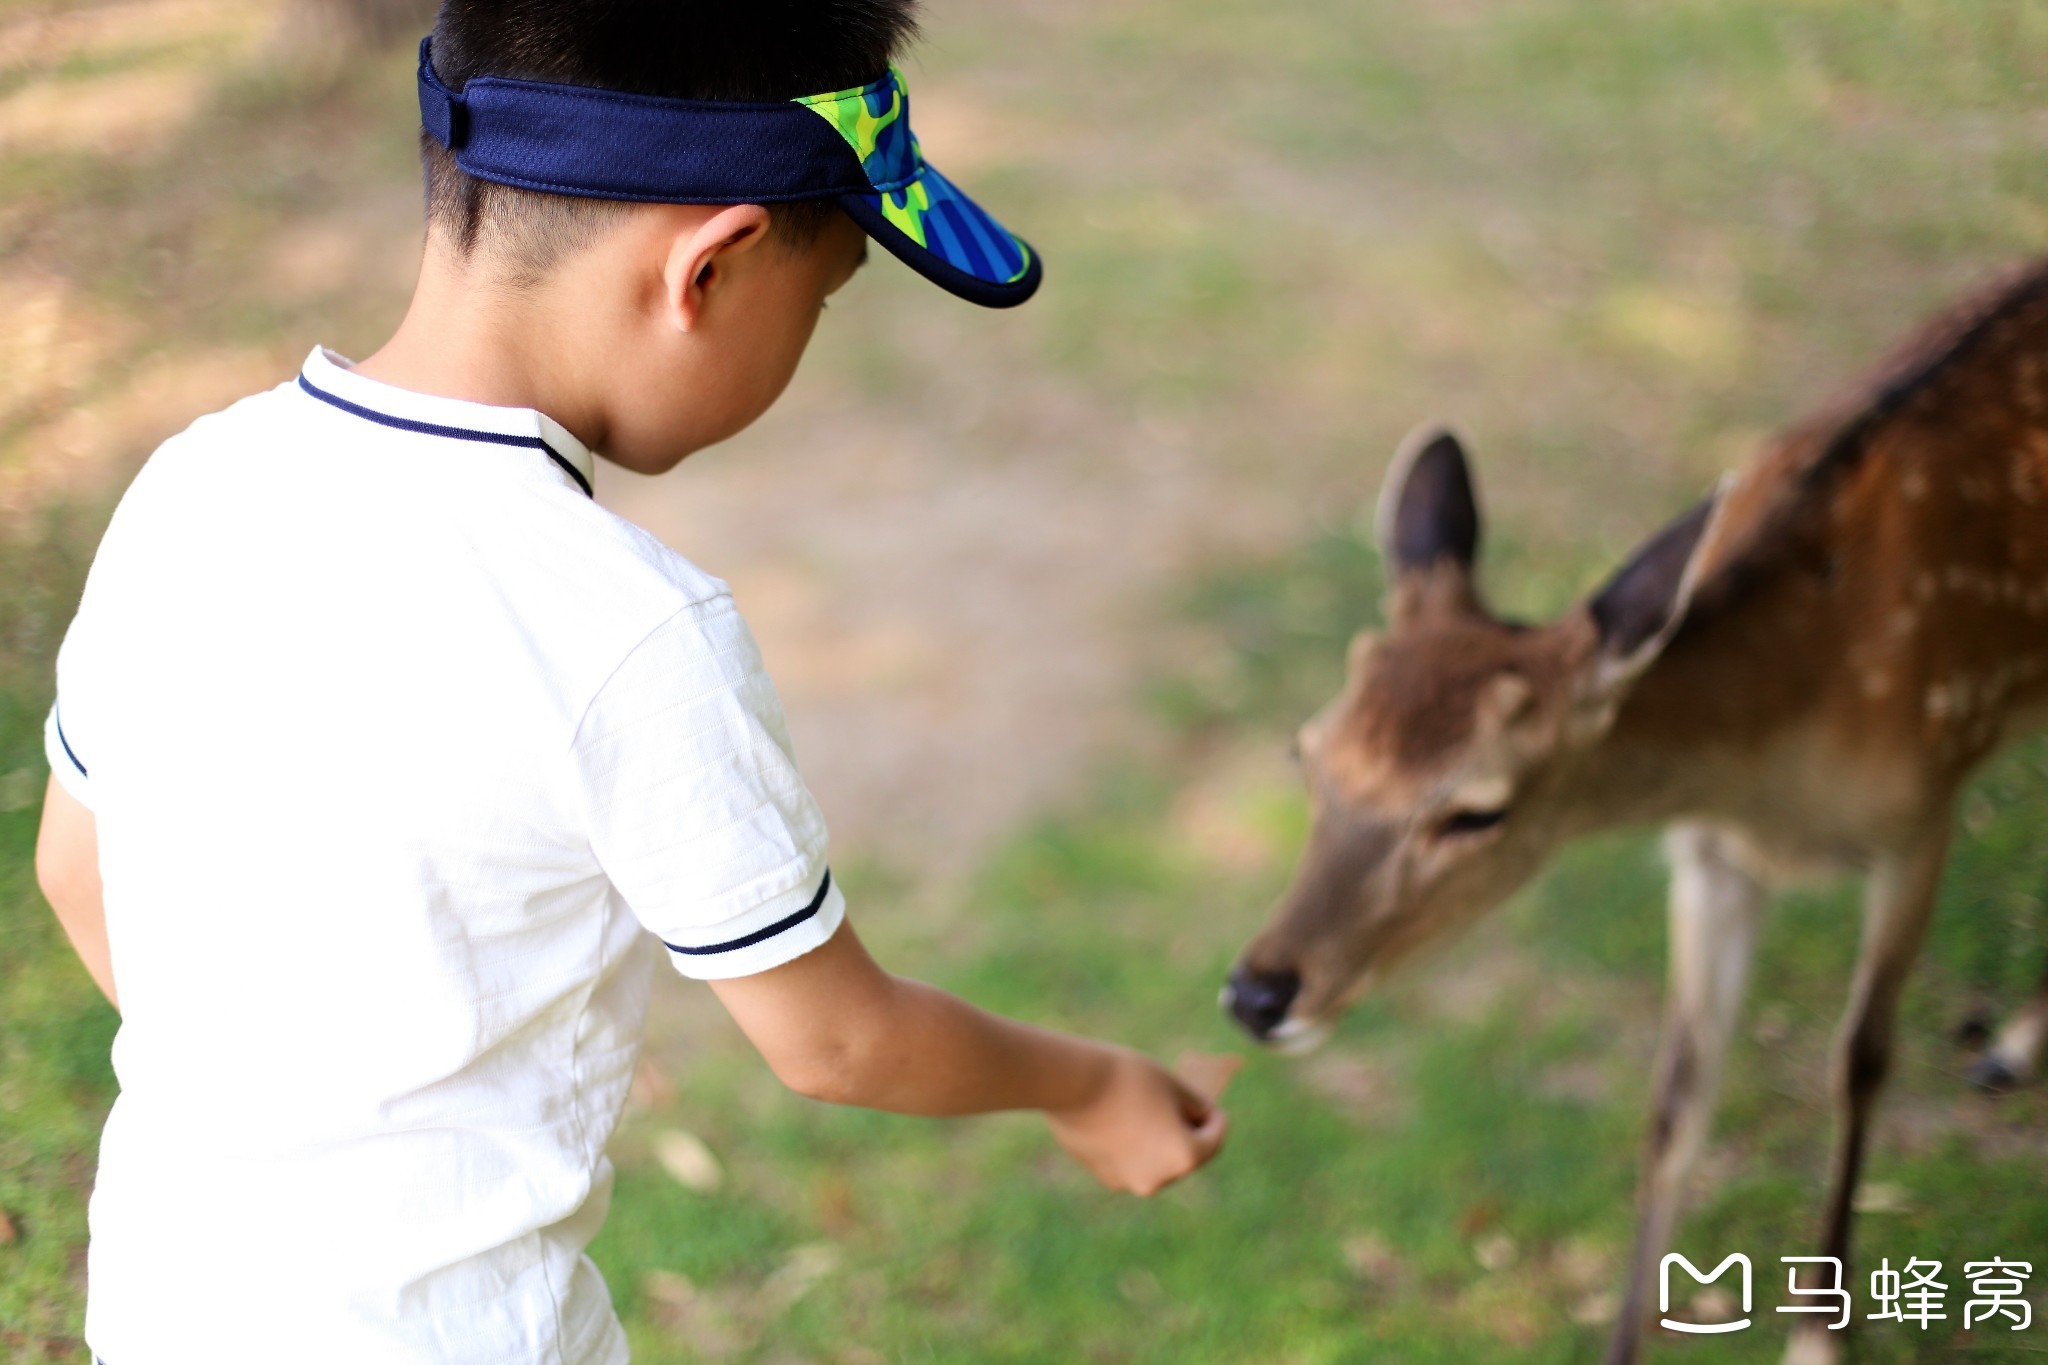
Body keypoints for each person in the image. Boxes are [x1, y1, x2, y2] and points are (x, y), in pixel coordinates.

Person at [31, 3, 1228, 1362]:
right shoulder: (634, 633)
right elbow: (838, 1043)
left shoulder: (199, 480)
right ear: (711, 267)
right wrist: (1088, 1083)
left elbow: (79, 869)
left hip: (166, 1307)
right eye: (820, 300)